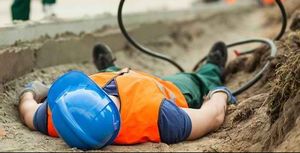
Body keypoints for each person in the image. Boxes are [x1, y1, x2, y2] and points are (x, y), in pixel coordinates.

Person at [18, 42, 237, 150]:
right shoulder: (162, 118)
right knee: (196, 80)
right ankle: (212, 67)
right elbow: (212, 117)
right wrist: (220, 94)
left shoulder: (62, 118)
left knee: (112, 74)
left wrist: (31, 90)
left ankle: (111, 67)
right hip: (164, 88)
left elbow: (28, 109)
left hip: (115, 77)